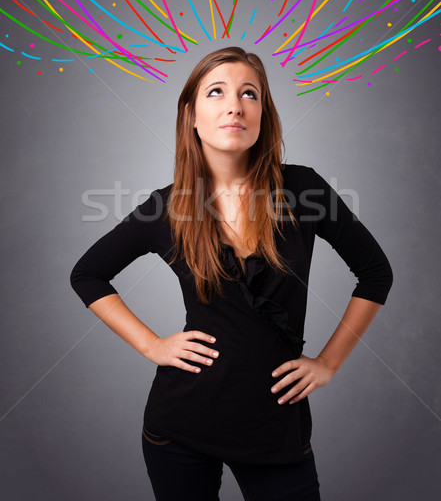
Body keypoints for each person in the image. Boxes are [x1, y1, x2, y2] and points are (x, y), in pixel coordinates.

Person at [70, 46, 393, 501]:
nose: (235, 105)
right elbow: (88, 274)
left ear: (263, 114)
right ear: (192, 116)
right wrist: (152, 345)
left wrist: (328, 363)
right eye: (216, 91)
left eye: (249, 94)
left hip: (275, 430)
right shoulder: (165, 208)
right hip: (179, 428)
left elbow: (376, 273)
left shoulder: (303, 190)